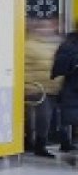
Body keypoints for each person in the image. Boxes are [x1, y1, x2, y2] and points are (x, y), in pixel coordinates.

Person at [25, 18, 68, 156]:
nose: (46, 30)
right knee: (43, 117)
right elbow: (25, 69)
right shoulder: (28, 45)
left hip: (52, 88)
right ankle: (39, 144)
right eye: (42, 27)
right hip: (37, 89)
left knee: (52, 117)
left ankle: (58, 141)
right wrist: (28, 85)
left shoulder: (54, 44)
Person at [53, 26, 78, 161]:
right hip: (73, 88)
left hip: (71, 90)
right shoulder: (69, 45)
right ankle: (65, 141)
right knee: (69, 117)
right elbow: (59, 68)